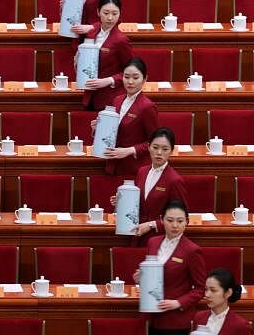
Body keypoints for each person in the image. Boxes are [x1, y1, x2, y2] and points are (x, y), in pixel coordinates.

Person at [133, 199, 206, 335]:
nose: (175, 225)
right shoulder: (152, 242)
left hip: (175, 320)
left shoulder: (192, 250)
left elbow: (200, 289)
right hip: (150, 315)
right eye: (170, 220)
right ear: (161, 220)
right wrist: (141, 278)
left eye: (180, 221)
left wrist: (178, 303)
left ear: (187, 222)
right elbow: (152, 276)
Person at [102, 57, 159, 176]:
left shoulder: (147, 107)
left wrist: (129, 151)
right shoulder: (117, 100)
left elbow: (154, 142)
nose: (130, 82)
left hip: (134, 168)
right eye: (126, 77)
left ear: (145, 79)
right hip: (113, 164)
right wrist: (99, 128)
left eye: (135, 77)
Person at [81, 0, 133, 110]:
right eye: (106, 13)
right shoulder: (91, 33)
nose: (110, 18)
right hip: (90, 95)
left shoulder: (121, 40)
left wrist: (109, 80)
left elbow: (129, 71)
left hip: (109, 98)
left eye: (115, 14)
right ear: (98, 12)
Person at [193, 268, 251, 335]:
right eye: (206, 289)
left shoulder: (241, 325)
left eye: (213, 290)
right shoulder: (199, 317)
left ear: (228, 293)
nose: (207, 295)